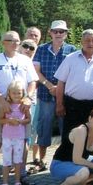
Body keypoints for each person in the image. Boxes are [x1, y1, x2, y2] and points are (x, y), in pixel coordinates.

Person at [0, 31, 38, 185]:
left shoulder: (25, 60)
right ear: (3, 42)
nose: (15, 43)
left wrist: (28, 98)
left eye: (17, 40)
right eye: (11, 40)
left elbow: (32, 81)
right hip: (2, 103)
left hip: (22, 104)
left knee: (23, 139)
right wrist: (1, 100)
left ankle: (21, 174)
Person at [33, 20, 77, 171]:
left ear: (66, 33)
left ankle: (65, 158)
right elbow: (36, 71)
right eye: (56, 31)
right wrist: (49, 85)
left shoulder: (72, 50)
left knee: (66, 127)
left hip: (65, 96)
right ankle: (42, 160)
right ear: (50, 32)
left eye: (62, 31)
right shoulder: (41, 49)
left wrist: (59, 88)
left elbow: (75, 72)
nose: (58, 34)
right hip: (45, 94)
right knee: (44, 127)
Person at [55, 29, 93, 140]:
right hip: (72, 105)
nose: (90, 43)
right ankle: (67, 158)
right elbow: (61, 83)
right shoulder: (70, 58)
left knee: (91, 137)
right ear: (82, 42)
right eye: (87, 41)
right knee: (70, 137)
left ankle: (87, 157)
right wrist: (59, 104)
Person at [0, 81, 31, 185]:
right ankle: (5, 183)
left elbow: (28, 119)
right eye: (14, 93)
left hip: (19, 138)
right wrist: (9, 121)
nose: (17, 95)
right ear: (9, 93)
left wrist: (20, 121)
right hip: (7, 137)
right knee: (6, 161)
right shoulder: (5, 105)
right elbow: (0, 119)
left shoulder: (24, 106)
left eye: (19, 93)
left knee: (18, 161)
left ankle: (17, 183)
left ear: (23, 93)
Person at [18, 38, 40, 171]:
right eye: (25, 46)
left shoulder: (34, 65)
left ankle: (22, 167)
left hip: (31, 103)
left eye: (32, 48)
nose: (28, 49)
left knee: (28, 135)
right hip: (13, 103)